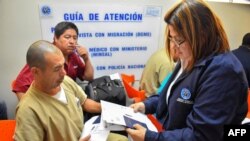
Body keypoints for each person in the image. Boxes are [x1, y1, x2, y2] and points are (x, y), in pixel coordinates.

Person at [126, 0, 248, 141]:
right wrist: (145, 105)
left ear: (200, 36)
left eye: (179, 40)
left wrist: (151, 138)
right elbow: (169, 94)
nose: (174, 46)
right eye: (171, 38)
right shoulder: (190, 57)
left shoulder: (223, 71)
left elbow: (201, 135)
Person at [14, 40, 127, 141]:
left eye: (63, 66)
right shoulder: (28, 110)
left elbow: (86, 103)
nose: (64, 72)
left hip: (85, 135)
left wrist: (117, 110)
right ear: (36, 72)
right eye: (57, 69)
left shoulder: (65, 81)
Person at [12, 21, 94, 101]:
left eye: (75, 38)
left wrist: (86, 59)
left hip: (68, 101)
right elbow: (19, 86)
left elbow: (89, 77)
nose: (72, 41)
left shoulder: (72, 55)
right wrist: (34, 110)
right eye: (67, 37)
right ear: (56, 38)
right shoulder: (45, 55)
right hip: (49, 102)